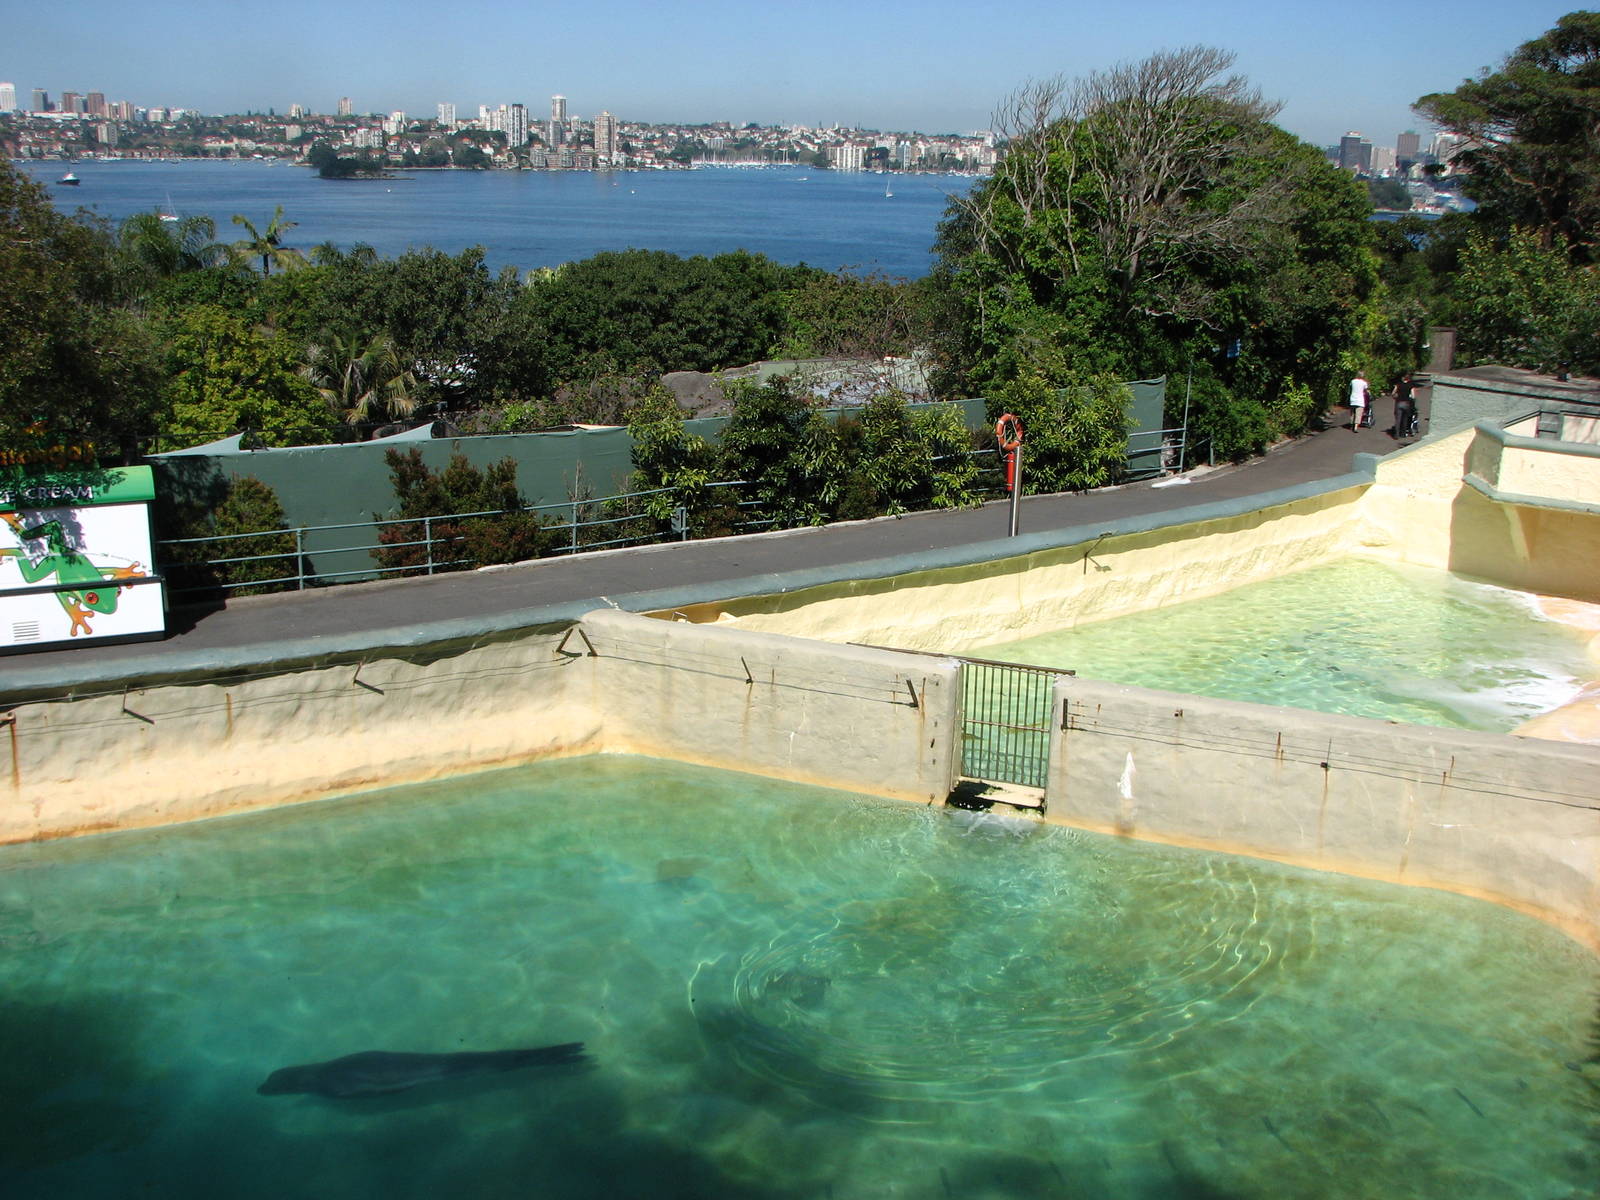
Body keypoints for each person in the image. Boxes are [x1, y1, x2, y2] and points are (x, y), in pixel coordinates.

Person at [1394, 372, 1417, 439]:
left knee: (1398, 419)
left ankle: (1396, 434)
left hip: (1399, 402)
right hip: (1406, 403)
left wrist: (1395, 396)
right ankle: (1403, 433)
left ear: (1403, 378)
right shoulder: (1411, 385)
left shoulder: (1398, 384)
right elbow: (1413, 396)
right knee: (1405, 418)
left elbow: (1393, 393)